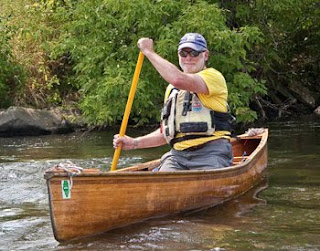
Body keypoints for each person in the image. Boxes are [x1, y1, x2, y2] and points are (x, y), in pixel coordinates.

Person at [113, 33, 234, 171]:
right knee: (159, 181)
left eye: (194, 53)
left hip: (211, 153)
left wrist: (148, 51)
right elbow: (166, 132)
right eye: (183, 53)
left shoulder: (213, 77)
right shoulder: (172, 89)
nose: (188, 58)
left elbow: (178, 79)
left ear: (205, 55)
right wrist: (134, 143)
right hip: (178, 157)